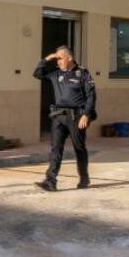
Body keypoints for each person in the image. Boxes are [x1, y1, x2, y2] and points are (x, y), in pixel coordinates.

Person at [33, 46, 96, 192]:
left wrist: (86, 115)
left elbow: (91, 95)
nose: (58, 62)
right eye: (56, 59)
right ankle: (50, 181)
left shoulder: (82, 73)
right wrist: (47, 58)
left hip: (76, 117)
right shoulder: (56, 74)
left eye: (60, 58)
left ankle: (84, 178)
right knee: (56, 148)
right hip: (59, 117)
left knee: (79, 148)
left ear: (69, 58)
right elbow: (37, 74)